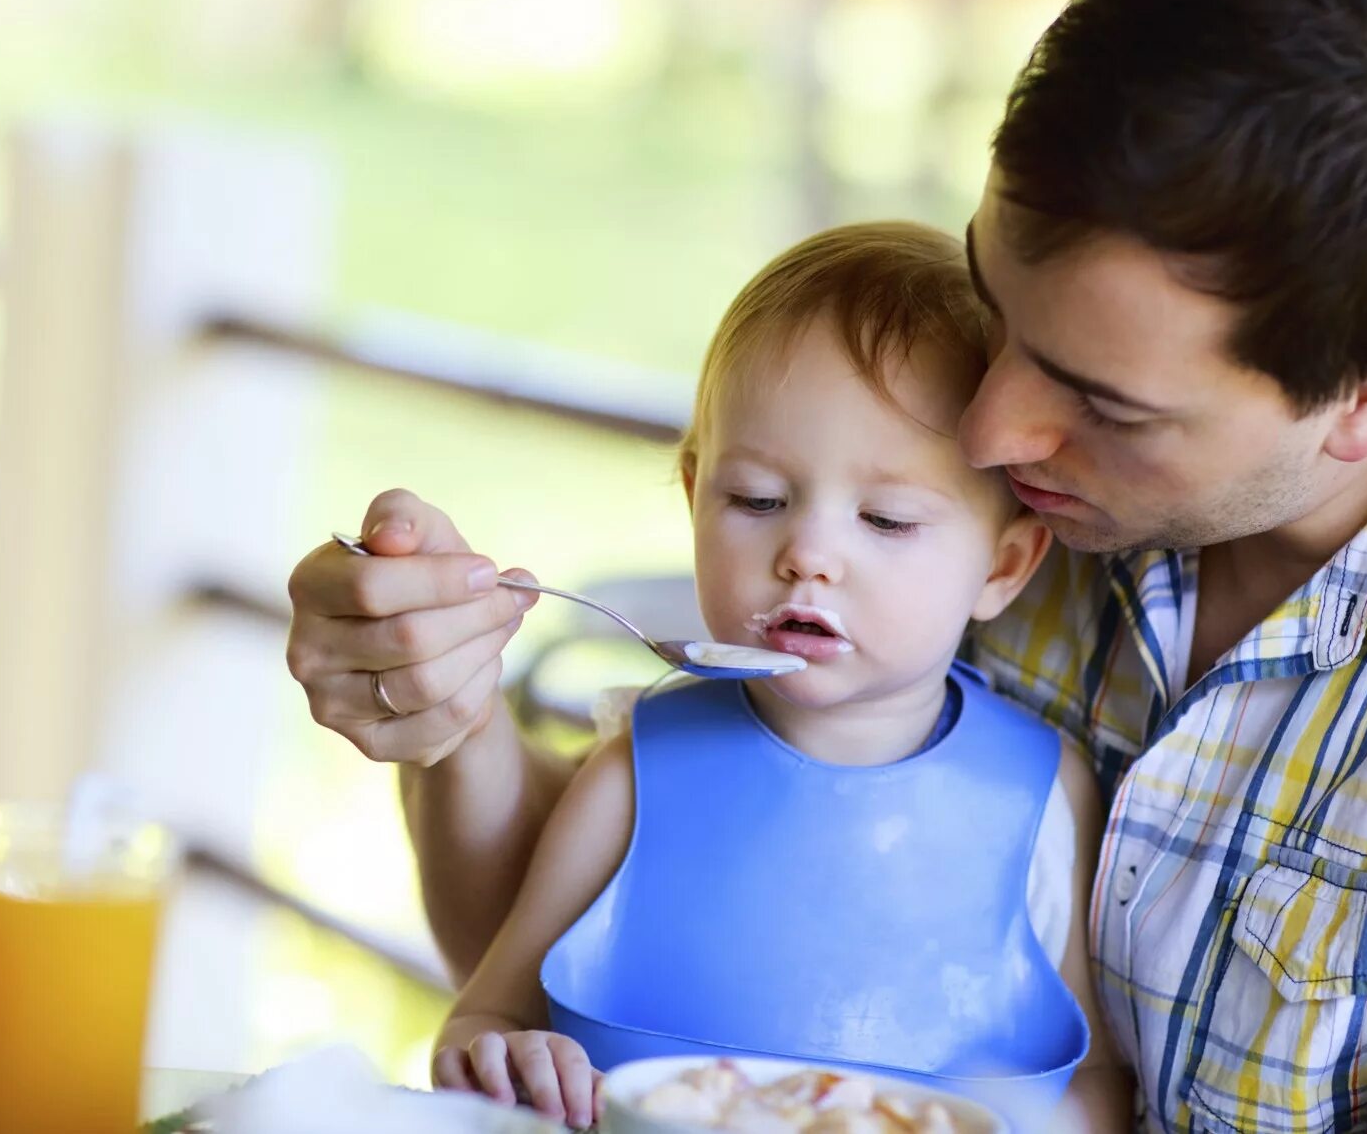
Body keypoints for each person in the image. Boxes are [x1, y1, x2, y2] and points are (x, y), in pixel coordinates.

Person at [285, 0, 1367, 1134]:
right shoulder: (986, 470)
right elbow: (630, 929)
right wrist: (446, 719)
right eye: (998, 302)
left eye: (1103, 399)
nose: (989, 425)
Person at [424, 222, 1126, 1131]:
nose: (808, 555)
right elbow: (484, 1017)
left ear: (1002, 567)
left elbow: (1096, 1083)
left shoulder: (1043, 795)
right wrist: (505, 1052)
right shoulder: (636, 774)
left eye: (886, 517)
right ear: (693, 497)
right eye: (757, 499)